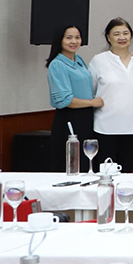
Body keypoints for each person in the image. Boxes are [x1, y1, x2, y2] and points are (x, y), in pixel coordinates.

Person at [90, 18, 133, 171]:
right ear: (108, 37)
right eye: (116, 34)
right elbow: (90, 91)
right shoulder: (98, 61)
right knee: (106, 172)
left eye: (126, 33)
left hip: (132, 127)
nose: (122, 37)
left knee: (126, 171)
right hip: (105, 127)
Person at [47, 24, 100, 172]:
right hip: (69, 118)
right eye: (69, 38)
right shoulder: (57, 64)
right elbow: (65, 100)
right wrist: (93, 102)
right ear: (60, 40)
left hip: (86, 117)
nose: (74, 41)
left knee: (86, 163)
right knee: (71, 165)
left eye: (77, 37)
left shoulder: (79, 60)